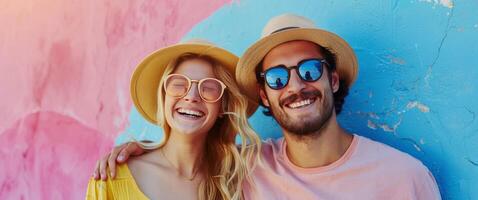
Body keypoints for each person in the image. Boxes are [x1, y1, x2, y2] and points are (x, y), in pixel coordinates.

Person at [94, 14, 441, 199]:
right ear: (264, 95)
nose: (295, 86)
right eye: (276, 78)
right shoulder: (245, 168)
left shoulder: (404, 178)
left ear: (332, 80)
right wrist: (143, 150)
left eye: (309, 70)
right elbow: (190, 152)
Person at [86, 39, 261, 200]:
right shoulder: (111, 178)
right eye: (179, 84)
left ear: (223, 107)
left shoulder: (237, 183)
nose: (192, 97)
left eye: (208, 88)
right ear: (163, 97)